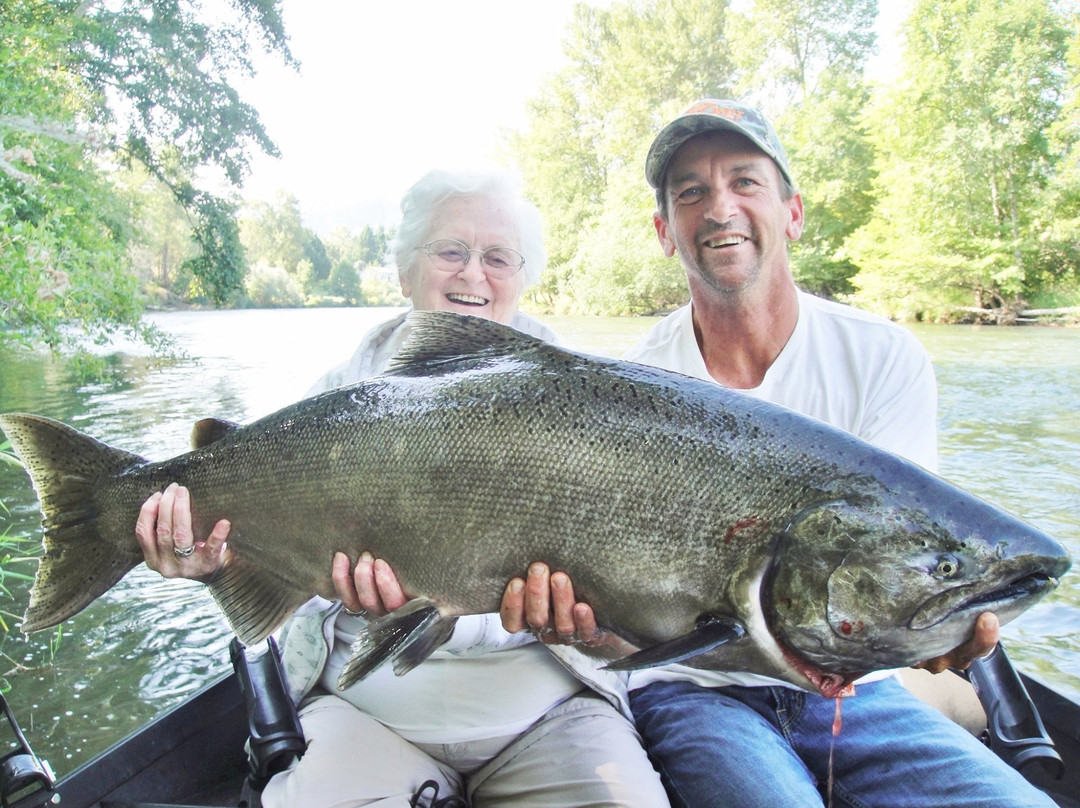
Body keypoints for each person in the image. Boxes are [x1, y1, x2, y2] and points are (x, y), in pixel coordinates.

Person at [502, 99, 1055, 808]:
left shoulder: (883, 357)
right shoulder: (630, 391)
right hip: (698, 692)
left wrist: (929, 634)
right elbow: (620, 641)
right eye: (690, 193)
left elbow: (902, 561)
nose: (719, 208)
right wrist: (579, 629)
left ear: (792, 212)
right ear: (665, 231)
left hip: (863, 701)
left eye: (745, 181)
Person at [134, 168, 670, 808]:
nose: (474, 274)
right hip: (369, 709)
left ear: (522, 280)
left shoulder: (592, 405)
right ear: (403, 271)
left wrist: (591, 629)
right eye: (450, 251)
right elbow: (273, 589)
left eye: (497, 257)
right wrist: (208, 559)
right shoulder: (331, 399)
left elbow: (638, 610)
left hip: (550, 710)